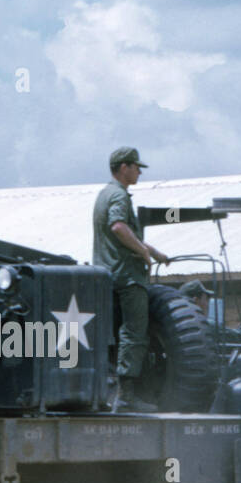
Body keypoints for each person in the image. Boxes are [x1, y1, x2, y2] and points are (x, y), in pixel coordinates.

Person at [93, 146, 169, 412]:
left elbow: (121, 231)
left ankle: (112, 394)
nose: (139, 172)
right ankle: (126, 397)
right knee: (134, 333)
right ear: (124, 167)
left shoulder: (104, 194)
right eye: (136, 167)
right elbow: (118, 227)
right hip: (127, 276)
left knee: (112, 334)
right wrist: (143, 253)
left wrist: (154, 251)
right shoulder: (119, 196)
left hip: (107, 274)